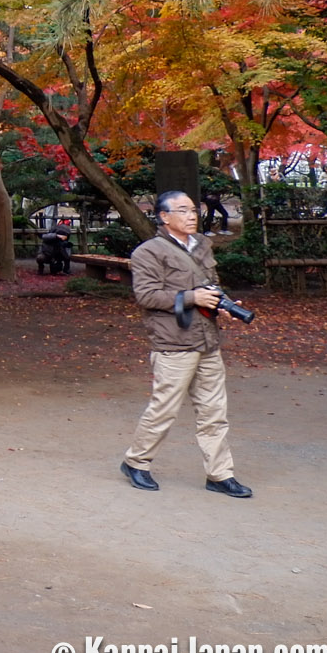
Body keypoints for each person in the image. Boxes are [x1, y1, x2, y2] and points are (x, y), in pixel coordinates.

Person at [120, 192, 250, 497]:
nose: (192, 216)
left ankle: (219, 474)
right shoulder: (148, 252)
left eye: (194, 210)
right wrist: (193, 298)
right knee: (164, 408)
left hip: (207, 340)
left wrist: (223, 304)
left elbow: (211, 284)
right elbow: (147, 296)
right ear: (164, 217)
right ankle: (136, 462)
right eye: (183, 211)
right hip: (173, 342)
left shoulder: (202, 244)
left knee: (214, 411)